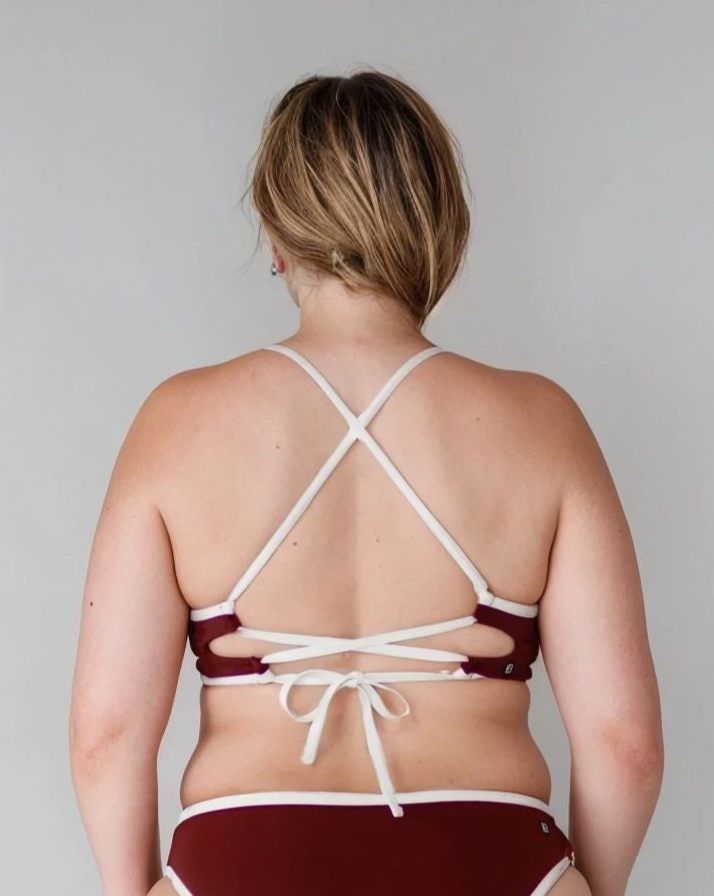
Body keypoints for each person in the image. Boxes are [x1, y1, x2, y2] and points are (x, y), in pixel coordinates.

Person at [69, 69, 664, 896]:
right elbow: (626, 743)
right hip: (495, 858)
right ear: (437, 225)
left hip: (239, 862)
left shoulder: (177, 420)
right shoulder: (542, 422)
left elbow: (105, 737)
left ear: (278, 237)